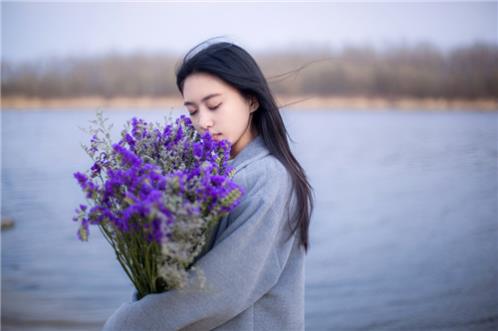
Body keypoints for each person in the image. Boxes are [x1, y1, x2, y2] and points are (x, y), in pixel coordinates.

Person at [102, 38, 314, 331]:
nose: (203, 121)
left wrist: (129, 322)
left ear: (252, 100)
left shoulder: (266, 177)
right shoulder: (216, 174)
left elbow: (221, 291)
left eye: (214, 105)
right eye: (192, 110)